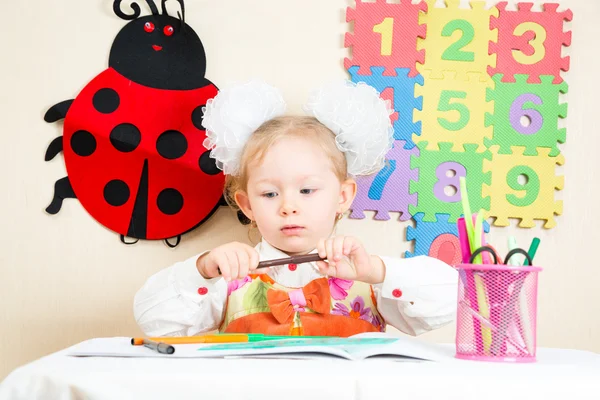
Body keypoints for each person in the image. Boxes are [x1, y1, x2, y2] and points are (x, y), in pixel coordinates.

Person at [134, 80, 458, 338]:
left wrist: (374, 270)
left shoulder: (369, 276)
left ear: (343, 196)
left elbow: (450, 300)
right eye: (270, 193)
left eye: (306, 190)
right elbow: (155, 322)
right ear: (247, 205)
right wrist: (203, 268)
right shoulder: (228, 276)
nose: (288, 207)